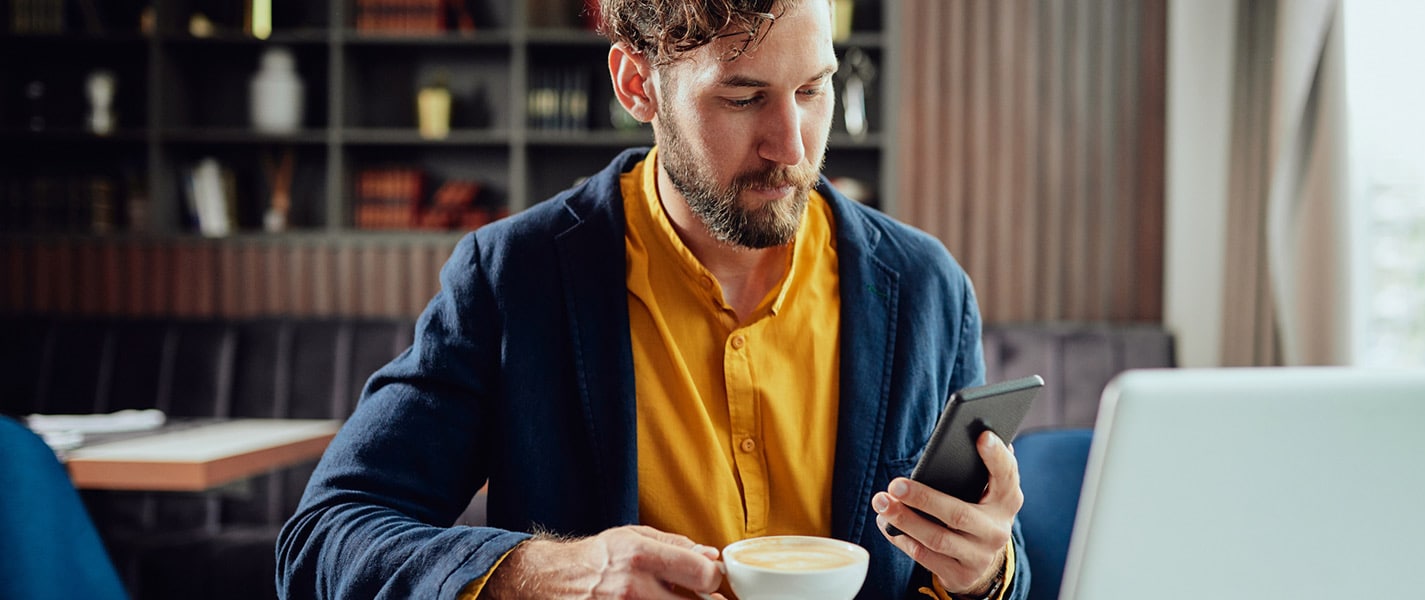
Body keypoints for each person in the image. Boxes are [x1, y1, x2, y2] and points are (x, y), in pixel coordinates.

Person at [275, 0, 1031, 598]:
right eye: (743, 97)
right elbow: (325, 541)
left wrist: (985, 574)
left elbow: (984, 564)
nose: (793, 146)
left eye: (812, 89)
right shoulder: (514, 278)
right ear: (638, 83)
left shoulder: (928, 287)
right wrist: (553, 575)